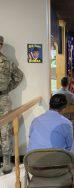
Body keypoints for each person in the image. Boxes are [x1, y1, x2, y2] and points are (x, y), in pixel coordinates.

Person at [28, 94, 74, 166]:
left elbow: (30, 138)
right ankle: (73, 175)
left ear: (49, 104)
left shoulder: (35, 120)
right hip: (57, 167)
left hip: (34, 166)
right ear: (64, 108)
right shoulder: (66, 123)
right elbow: (70, 147)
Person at [0, 35, 23, 174]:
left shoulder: (7, 62)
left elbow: (18, 76)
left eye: (0, 43)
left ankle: (7, 161)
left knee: (5, 130)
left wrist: (7, 89)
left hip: (3, 99)